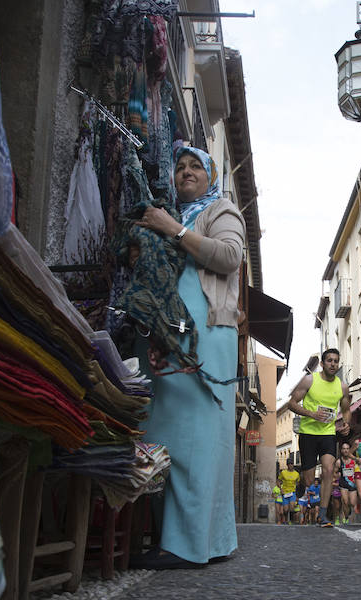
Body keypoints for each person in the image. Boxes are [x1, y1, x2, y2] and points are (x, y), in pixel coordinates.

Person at [130, 146, 246, 568]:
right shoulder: (172, 215)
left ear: (210, 174)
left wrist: (172, 229)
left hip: (205, 335)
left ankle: (184, 545)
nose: (186, 172)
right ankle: (197, 539)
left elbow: (231, 257)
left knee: (196, 440)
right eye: (179, 167)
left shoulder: (219, 209)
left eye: (196, 165)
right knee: (166, 434)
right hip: (170, 332)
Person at [286, 348, 351, 527]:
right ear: (322, 363)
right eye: (329, 360)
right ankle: (309, 498)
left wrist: (346, 424)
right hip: (308, 434)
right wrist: (311, 414)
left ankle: (322, 515)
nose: (333, 364)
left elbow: (346, 410)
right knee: (308, 479)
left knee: (329, 470)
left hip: (328, 434)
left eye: (336, 361)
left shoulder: (342, 386)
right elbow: (291, 403)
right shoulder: (309, 380)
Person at [336, 441, 358, 525]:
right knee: (345, 502)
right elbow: (334, 472)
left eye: (347, 449)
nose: (345, 450)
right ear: (341, 450)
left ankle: (349, 512)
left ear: (350, 450)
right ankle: (346, 517)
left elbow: (359, 470)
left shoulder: (354, 460)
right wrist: (336, 477)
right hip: (343, 484)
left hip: (353, 483)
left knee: (352, 503)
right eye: (344, 449)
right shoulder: (338, 462)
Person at [279, 457, 301, 524]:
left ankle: (290, 521)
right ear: (287, 465)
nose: (290, 465)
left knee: (292, 507)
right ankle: (285, 520)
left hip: (292, 492)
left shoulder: (296, 474)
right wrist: (281, 489)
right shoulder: (283, 473)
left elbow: (298, 483)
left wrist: (297, 494)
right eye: (289, 464)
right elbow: (278, 481)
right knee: (285, 510)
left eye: (291, 464)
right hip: (285, 492)